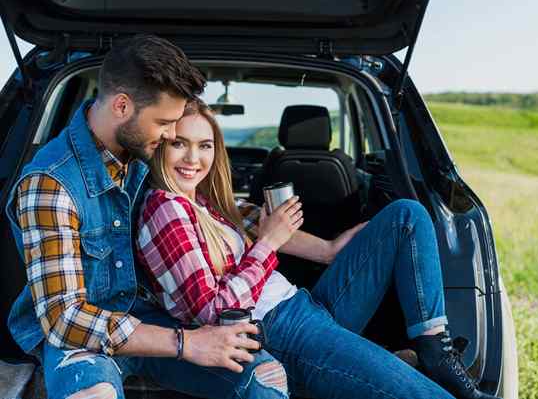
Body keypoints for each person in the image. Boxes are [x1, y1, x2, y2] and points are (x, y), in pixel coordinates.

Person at [136, 98, 502, 399]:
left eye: (204, 146)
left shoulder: (202, 201)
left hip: (305, 307)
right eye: (179, 144)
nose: (192, 159)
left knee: (405, 216)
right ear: (159, 146)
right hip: (279, 330)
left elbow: (256, 222)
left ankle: (434, 348)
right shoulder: (166, 209)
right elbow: (212, 311)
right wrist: (267, 244)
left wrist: (328, 249)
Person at [5, 35, 289, 399]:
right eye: (165, 123)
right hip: (83, 336)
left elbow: (212, 210)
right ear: (122, 106)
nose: (173, 135)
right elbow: (64, 318)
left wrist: (311, 241)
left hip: (151, 313)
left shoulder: (142, 150)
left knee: (266, 376)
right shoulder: (50, 184)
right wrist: (185, 342)